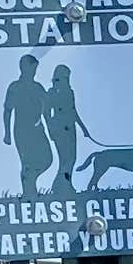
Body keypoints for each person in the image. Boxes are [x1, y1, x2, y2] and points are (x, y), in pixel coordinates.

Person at [2, 52, 53, 191]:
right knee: (27, 163)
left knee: (47, 158)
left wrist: (50, 130)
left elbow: (46, 112)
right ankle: (29, 193)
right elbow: (7, 110)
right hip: (22, 131)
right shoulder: (15, 87)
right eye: (32, 69)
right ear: (24, 68)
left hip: (37, 130)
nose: (34, 72)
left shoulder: (38, 88)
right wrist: (7, 134)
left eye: (35, 69)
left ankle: (30, 183)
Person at [43, 64, 86, 192]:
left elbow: (73, 111)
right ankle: (59, 186)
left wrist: (84, 129)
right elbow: (46, 112)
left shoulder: (69, 92)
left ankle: (66, 183)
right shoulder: (51, 93)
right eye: (65, 76)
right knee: (65, 158)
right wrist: (50, 128)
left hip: (70, 127)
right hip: (59, 126)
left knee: (72, 158)